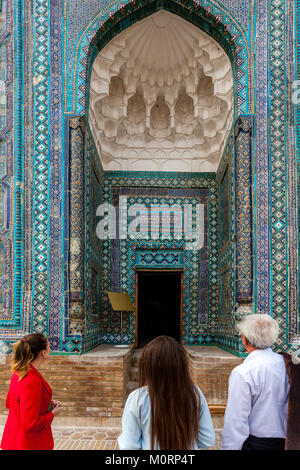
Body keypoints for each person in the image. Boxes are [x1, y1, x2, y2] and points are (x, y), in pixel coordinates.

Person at [117, 335, 215, 450]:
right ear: (181, 365)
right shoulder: (194, 393)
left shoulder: (138, 399)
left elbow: (129, 446)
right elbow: (207, 440)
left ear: (148, 367)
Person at [221, 314, 290, 450]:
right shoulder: (288, 366)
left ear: (244, 340)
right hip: (287, 442)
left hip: (256, 444)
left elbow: (236, 422)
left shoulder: (243, 372)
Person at [1, 333, 63, 450]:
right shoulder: (31, 380)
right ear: (43, 353)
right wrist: (53, 413)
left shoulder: (19, 373)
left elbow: (10, 402)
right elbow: (30, 424)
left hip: (14, 438)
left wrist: (46, 404)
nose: (50, 348)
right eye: (49, 346)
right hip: (28, 443)